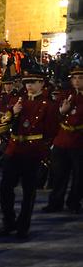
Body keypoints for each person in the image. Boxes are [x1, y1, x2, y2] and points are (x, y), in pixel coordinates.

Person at [0, 66, 59, 238]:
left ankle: (23, 226)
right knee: (5, 188)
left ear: (42, 84)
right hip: (14, 149)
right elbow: (0, 129)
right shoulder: (17, 102)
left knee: (28, 192)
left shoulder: (48, 105)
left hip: (33, 151)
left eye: (33, 82)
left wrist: (44, 154)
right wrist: (12, 113)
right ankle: (8, 221)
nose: (29, 86)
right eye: (26, 82)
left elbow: (51, 132)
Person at [44, 67, 83, 213]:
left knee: (79, 176)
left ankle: (74, 202)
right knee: (59, 174)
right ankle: (55, 202)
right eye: (74, 78)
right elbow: (52, 117)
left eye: (80, 78)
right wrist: (62, 111)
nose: (77, 81)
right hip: (62, 139)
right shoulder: (65, 95)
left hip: (79, 141)